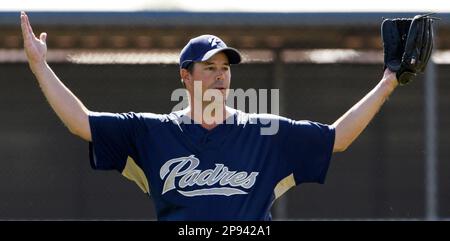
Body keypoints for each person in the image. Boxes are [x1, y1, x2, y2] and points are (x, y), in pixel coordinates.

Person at [20, 11, 398, 221]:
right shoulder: (154, 133)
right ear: (185, 76)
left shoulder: (263, 133)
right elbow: (81, 121)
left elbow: (337, 138)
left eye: (225, 67)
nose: (220, 75)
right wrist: (39, 66)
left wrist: (388, 81)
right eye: (208, 67)